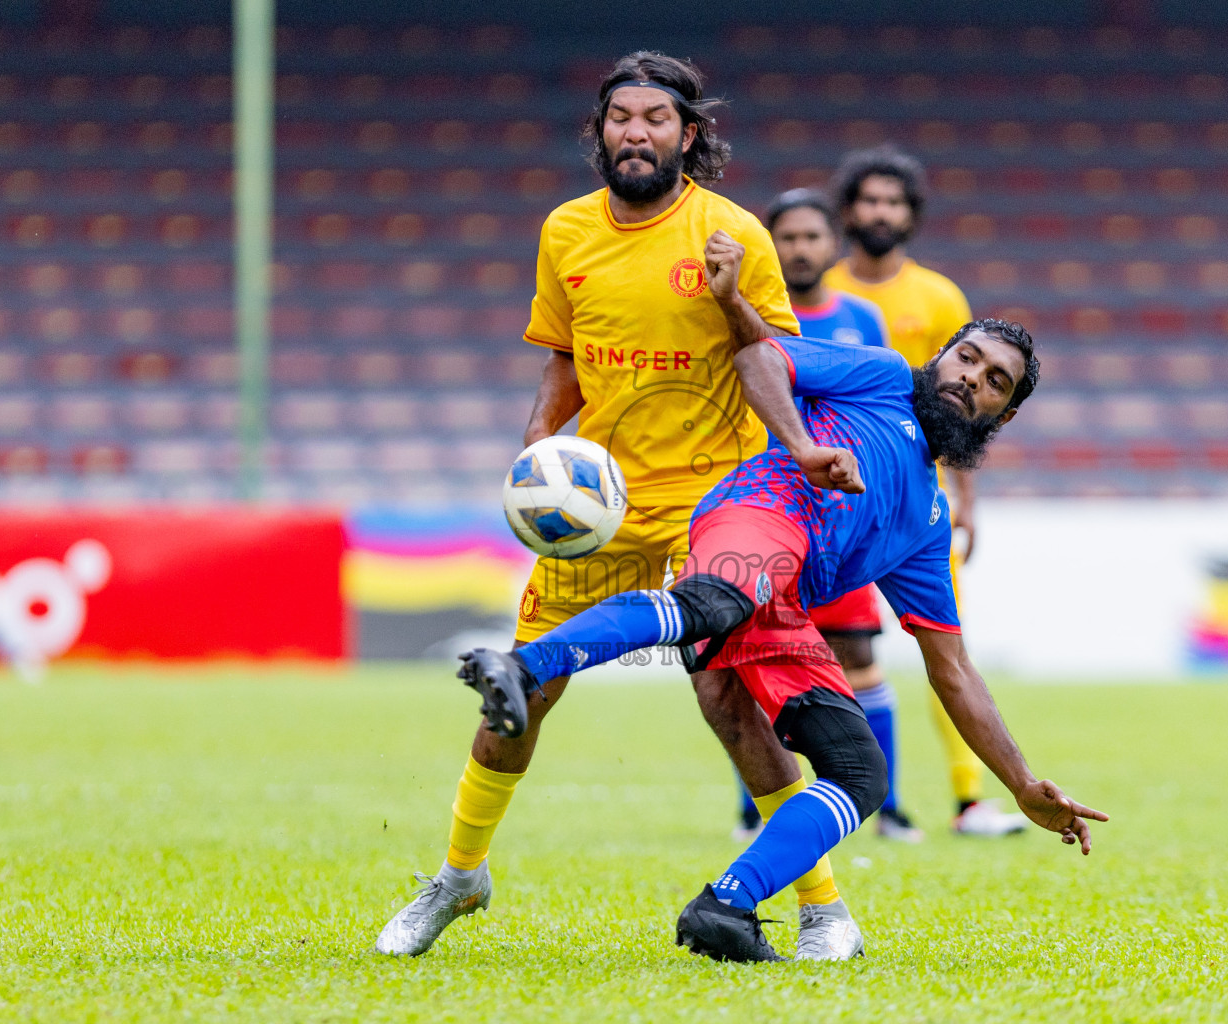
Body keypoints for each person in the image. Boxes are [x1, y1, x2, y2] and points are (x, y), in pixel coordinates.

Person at [375, 51, 864, 960]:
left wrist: (795, 443)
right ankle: (459, 877)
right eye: (620, 118)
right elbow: (562, 357)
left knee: (730, 697)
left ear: (689, 133)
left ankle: (822, 909)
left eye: (655, 118)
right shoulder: (566, 231)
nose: (635, 132)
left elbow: (773, 358)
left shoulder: (732, 234)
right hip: (595, 503)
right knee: (522, 692)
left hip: (715, 504)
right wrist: (535, 449)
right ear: (599, 131)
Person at [459, 319, 1106, 961]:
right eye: (966, 357)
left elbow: (954, 671)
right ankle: (523, 666)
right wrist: (801, 446)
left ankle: (726, 907)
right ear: (941, 355)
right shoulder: (880, 375)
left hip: (781, 608)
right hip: (756, 514)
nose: (971, 378)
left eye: (996, 381)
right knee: (718, 599)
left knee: (860, 772)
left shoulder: (929, 521)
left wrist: (1022, 784)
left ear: (1004, 414)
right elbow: (759, 359)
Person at [825, 145, 1025, 837]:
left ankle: (969, 799)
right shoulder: (820, 289)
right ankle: (826, 796)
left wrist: (967, 501)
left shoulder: (938, 298)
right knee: (828, 651)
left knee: (943, 645)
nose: (880, 212)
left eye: (894, 202)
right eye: (870, 199)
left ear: (910, 216)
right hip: (827, 496)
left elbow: (972, 407)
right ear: (848, 210)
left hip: (916, 506)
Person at [729, 187, 927, 844]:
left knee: (859, 659)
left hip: (839, 521)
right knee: (758, 659)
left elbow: (879, 404)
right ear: (770, 247)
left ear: (831, 245)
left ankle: (889, 806)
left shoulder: (861, 318)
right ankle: (759, 807)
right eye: (786, 238)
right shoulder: (754, 317)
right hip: (768, 512)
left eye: (812, 237)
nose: (800, 249)